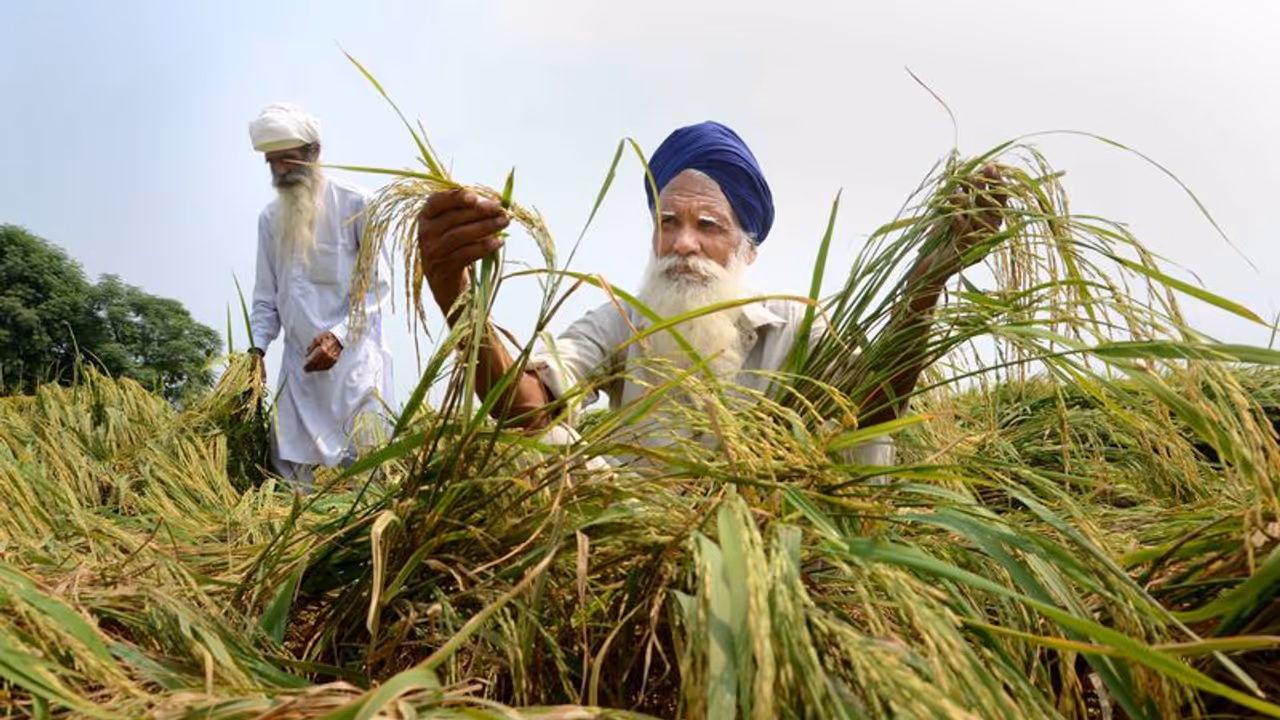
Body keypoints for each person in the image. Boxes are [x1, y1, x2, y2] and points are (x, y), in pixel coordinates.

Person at [415, 121, 1002, 465]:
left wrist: (924, 287)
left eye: (708, 226)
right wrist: (459, 298)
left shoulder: (794, 328)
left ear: (746, 250)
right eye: (668, 223)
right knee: (546, 448)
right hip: (631, 554)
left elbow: (871, 409)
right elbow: (528, 406)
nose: (684, 243)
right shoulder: (623, 319)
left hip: (760, 547)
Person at [247, 103, 395, 488]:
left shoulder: (357, 205)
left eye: (289, 160)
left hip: (354, 372)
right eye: (272, 163)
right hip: (299, 372)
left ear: (314, 154)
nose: (280, 171)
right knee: (288, 481)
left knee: (368, 479)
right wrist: (257, 350)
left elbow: (377, 287)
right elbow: (267, 295)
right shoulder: (269, 220)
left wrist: (339, 337)